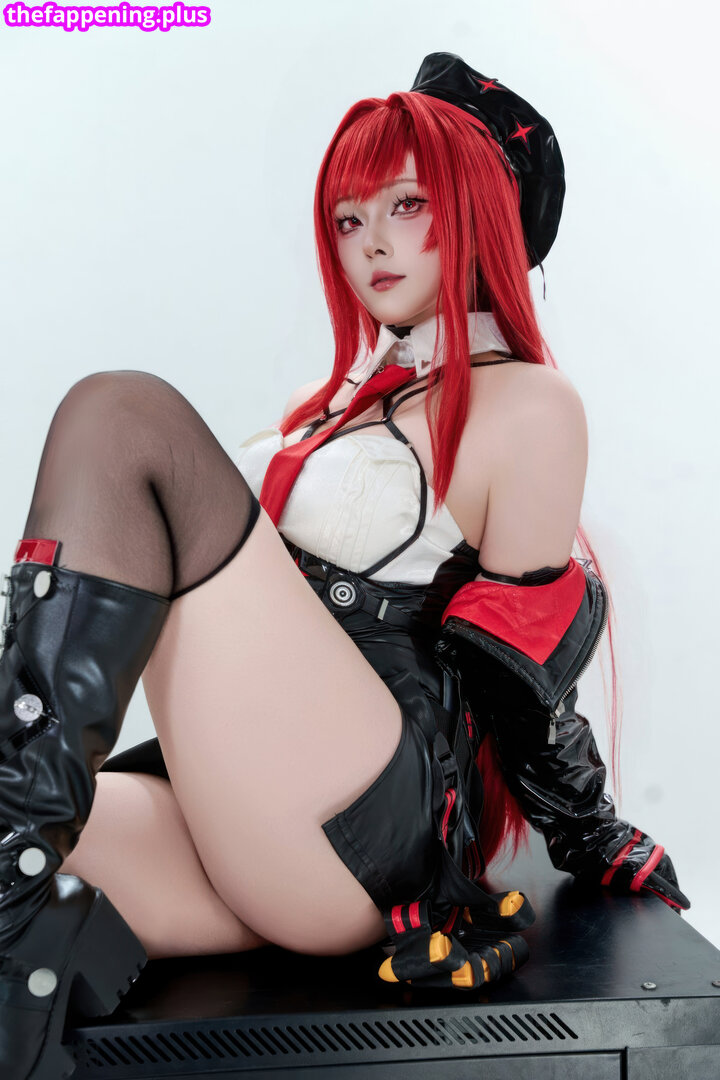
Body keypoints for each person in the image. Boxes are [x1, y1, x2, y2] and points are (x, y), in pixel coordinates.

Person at [0, 53, 688, 1079]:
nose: (371, 243)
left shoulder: (530, 406)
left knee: (123, 414)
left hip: (365, 825)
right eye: (348, 218)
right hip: (256, 831)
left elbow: (520, 668)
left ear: (478, 212)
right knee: (17, 839)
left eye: (407, 205)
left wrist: (591, 833)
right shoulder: (332, 405)